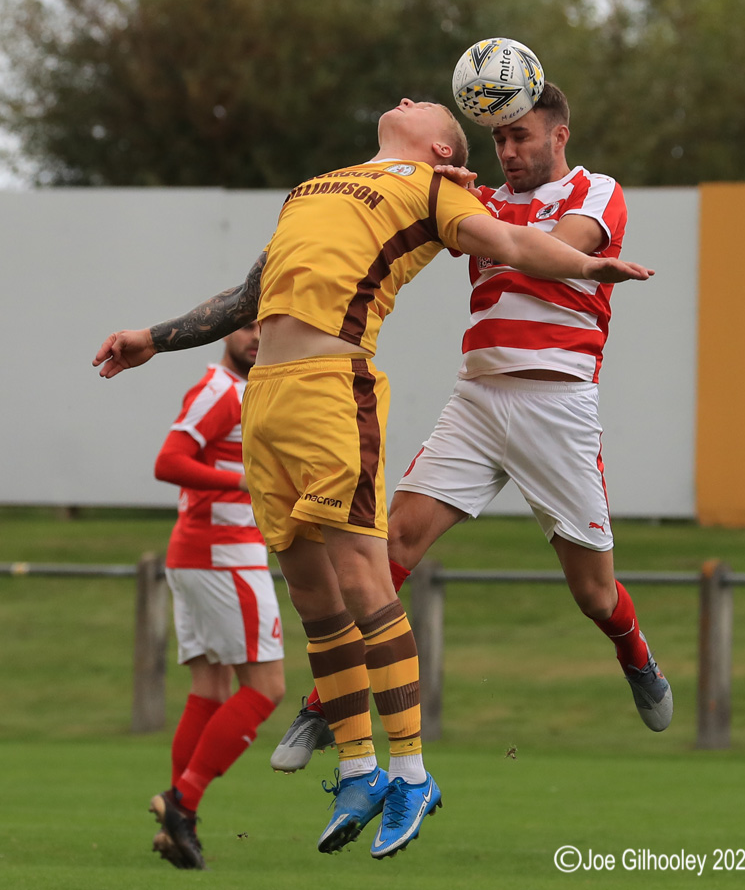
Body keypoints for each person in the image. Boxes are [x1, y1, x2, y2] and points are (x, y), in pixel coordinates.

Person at [93, 96, 653, 860]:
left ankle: (412, 773)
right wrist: (153, 339)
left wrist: (588, 265)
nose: (407, 99)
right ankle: (358, 770)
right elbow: (249, 297)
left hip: (339, 388)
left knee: (372, 575)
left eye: (425, 106)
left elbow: (513, 243)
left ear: (439, 148)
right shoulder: (312, 188)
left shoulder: (435, 189)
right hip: (270, 401)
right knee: (315, 597)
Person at [270, 82, 673, 775]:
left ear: (559, 135)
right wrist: (436, 191)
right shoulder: (476, 199)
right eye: (498, 139)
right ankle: (325, 704)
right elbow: (413, 216)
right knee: (392, 545)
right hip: (478, 399)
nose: (508, 151)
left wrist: (469, 208)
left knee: (594, 593)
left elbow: (548, 247)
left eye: (522, 136)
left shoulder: (596, 191)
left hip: (557, 406)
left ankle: (635, 654)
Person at [148, 321, 285, 870]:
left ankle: (178, 824)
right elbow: (168, 461)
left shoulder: (251, 392)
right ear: (226, 332)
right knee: (266, 688)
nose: (257, 336)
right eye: (247, 325)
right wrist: (246, 482)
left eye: (266, 326)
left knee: (210, 689)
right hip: (223, 555)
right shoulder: (221, 390)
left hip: (203, 555)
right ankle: (182, 803)